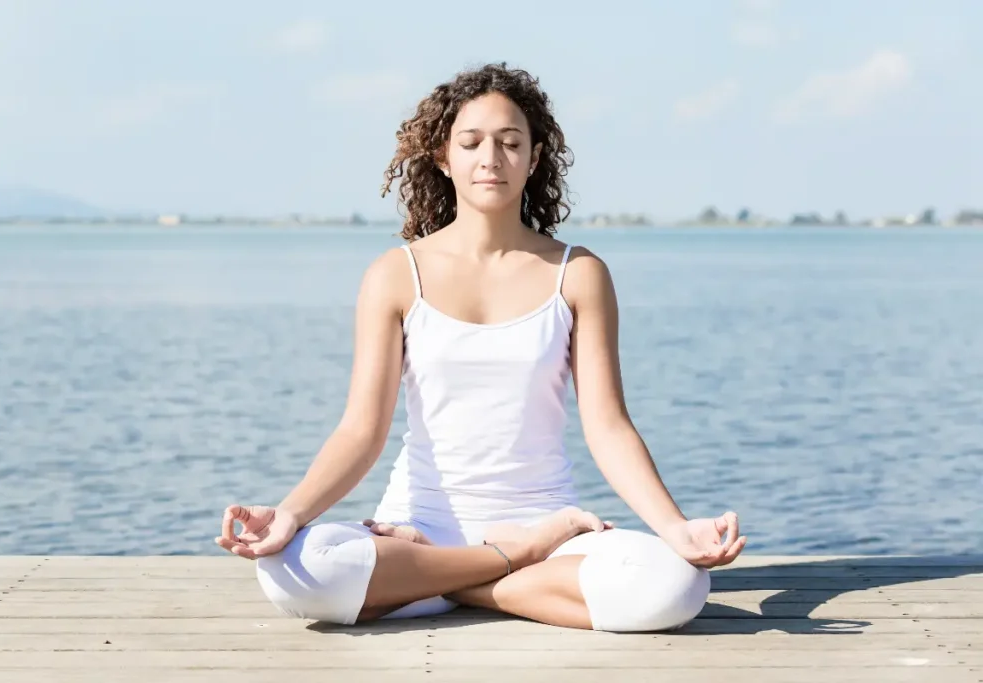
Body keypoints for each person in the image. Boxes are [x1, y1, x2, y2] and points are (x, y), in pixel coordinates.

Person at [215, 62, 746, 632]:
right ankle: (499, 569)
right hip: (421, 524)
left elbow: (608, 426)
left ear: (535, 157)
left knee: (676, 586)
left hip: (539, 522)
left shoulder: (578, 273)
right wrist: (290, 515)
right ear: (443, 157)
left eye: (510, 142)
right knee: (291, 568)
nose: (491, 157)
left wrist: (674, 528)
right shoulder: (396, 275)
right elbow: (360, 432)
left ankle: (444, 583)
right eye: (471, 142)